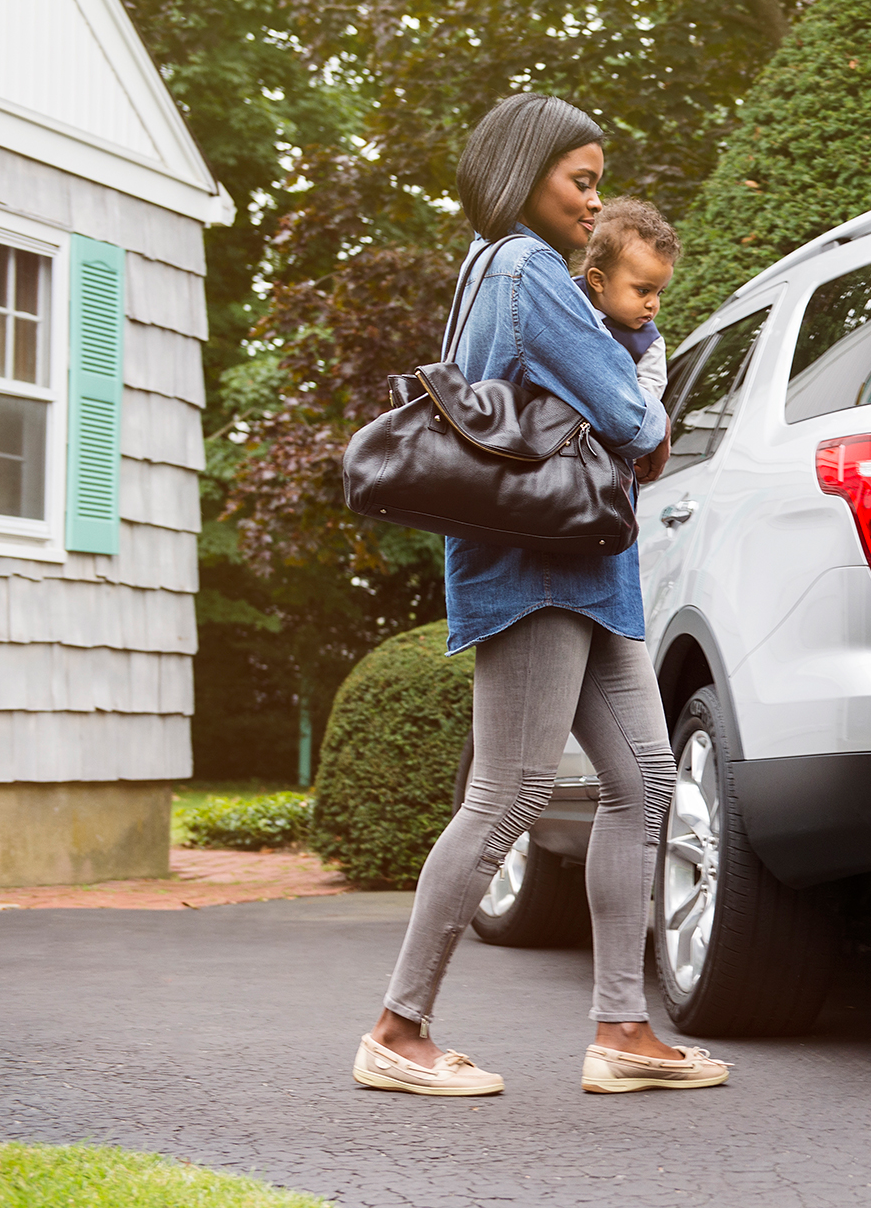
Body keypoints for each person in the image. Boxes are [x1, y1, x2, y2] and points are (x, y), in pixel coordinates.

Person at [351, 93, 727, 1099]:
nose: (592, 201)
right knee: (508, 793)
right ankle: (397, 1027)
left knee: (645, 781)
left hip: (589, 568)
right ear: (524, 169)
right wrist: (636, 378)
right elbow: (629, 416)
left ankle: (620, 1029)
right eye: (581, 179)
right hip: (536, 567)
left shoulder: (508, 270)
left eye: (599, 181)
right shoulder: (521, 267)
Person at [575, 196, 676, 405]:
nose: (653, 304)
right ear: (598, 281)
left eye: (659, 293)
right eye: (643, 290)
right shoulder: (561, 299)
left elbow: (648, 397)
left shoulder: (649, 343)